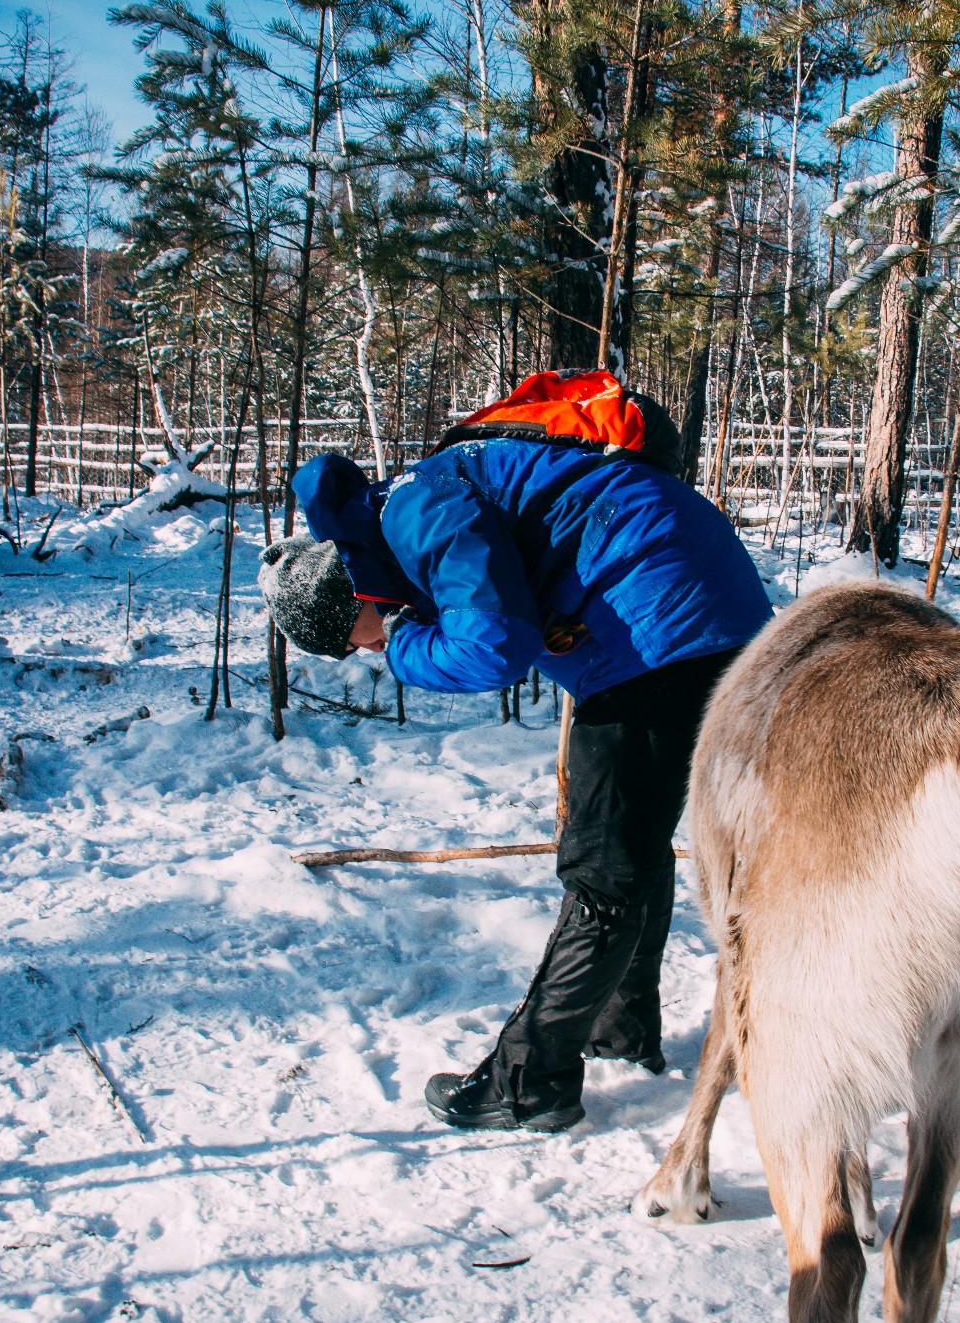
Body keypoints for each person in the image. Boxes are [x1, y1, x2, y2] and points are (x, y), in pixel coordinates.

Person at [258, 369, 772, 1134]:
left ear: (355, 600)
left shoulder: (416, 512)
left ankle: (530, 1080)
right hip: (690, 611)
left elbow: (494, 647)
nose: (365, 651)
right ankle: (618, 1028)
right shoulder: (407, 516)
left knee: (601, 867)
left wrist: (403, 650)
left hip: (655, 624)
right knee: (629, 845)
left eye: (353, 642)